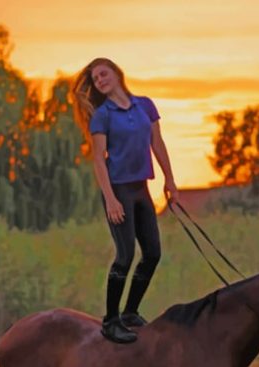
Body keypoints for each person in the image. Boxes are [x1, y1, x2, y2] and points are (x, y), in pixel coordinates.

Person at [72, 58, 179, 344]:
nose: (101, 80)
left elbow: (157, 143)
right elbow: (98, 160)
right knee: (125, 255)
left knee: (153, 253)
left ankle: (131, 312)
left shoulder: (145, 105)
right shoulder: (102, 116)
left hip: (142, 188)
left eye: (104, 74)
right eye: (95, 79)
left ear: (117, 73)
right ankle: (111, 321)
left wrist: (170, 180)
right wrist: (110, 200)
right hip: (118, 190)